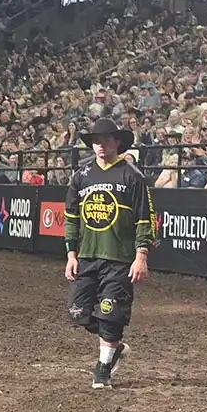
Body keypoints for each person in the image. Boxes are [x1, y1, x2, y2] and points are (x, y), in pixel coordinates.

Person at [64, 118, 155, 390]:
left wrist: (141, 255)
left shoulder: (132, 176)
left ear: (117, 142)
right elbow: (70, 217)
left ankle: (103, 368)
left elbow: (145, 219)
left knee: (110, 313)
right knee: (78, 311)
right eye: (96, 141)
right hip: (88, 255)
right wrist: (71, 254)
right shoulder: (81, 176)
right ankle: (115, 346)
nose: (100, 145)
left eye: (105, 140)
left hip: (119, 258)